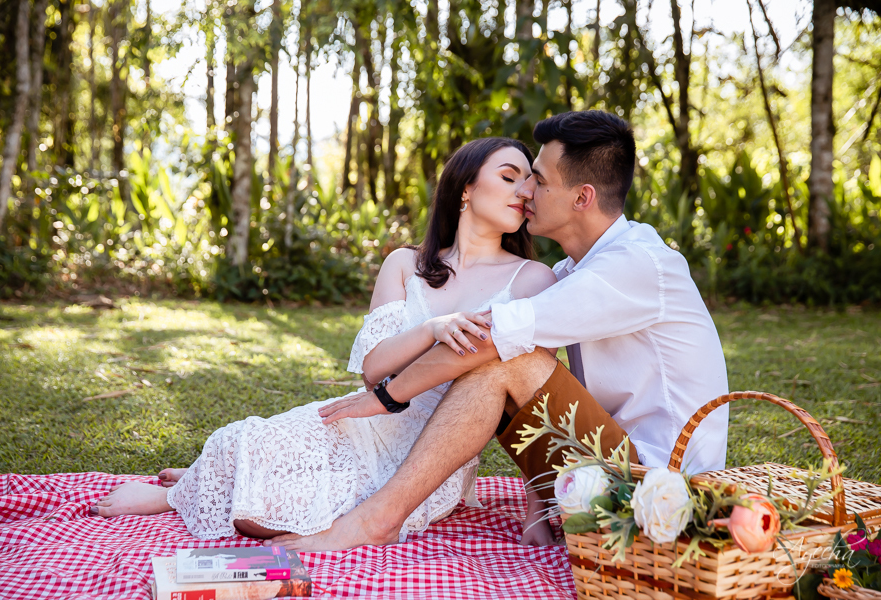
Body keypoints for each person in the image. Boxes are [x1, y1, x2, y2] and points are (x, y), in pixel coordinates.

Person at [263, 110, 730, 552]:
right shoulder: (573, 270)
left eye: (539, 181)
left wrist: (387, 396)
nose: (527, 191)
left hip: (667, 484)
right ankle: (525, 504)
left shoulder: (634, 265)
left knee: (507, 355)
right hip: (601, 463)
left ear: (582, 197)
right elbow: (546, 391)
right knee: (509, 356)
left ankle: (378, 519)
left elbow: (498, 342)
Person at [88, 137, 559, 543]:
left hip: (429, 456)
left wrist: (539, 510)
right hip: (362, 419)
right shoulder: (405, 264)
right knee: (243, 441)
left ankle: (194, 488)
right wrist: (433, 327)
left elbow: (528, 400)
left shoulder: (531, 279)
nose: (525, 191)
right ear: (465, 188)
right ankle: (185, 489)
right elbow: (373, 370)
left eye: (529, 182)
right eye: (509, 176)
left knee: (262, 515)